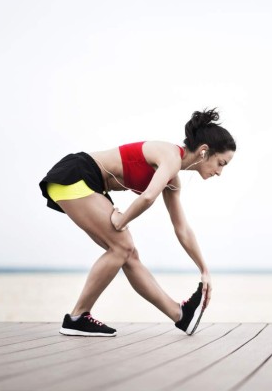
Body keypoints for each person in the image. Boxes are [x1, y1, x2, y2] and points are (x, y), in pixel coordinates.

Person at [38, 109, 236, 337]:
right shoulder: (171, 156)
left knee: (127, 253)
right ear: (204, 151)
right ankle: (77, 317)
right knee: (122, 246)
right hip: (77, 173)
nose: (220, 172)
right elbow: (148, 196)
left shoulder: (173, 180)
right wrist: (121, 220)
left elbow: (182, 228)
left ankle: (182, 316)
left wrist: (204, 269)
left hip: (88, 183)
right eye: (221, 163)